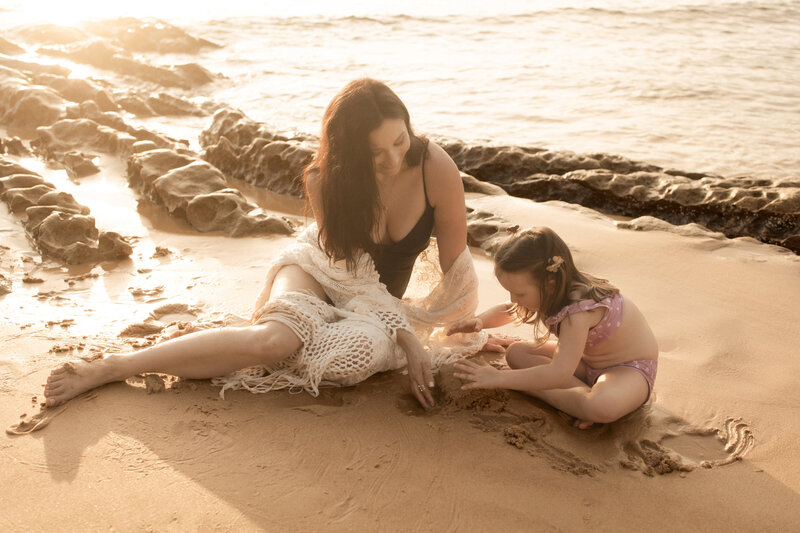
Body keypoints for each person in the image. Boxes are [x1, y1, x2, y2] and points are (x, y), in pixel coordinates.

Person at [44, 78, 484, 411]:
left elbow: (456, 267)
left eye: (400, 140)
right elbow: (348, 273)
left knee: (355, 357)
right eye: (374, 153)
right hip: (318, 271)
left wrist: (466, 329)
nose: (392, 159)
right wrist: (405, 335)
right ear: (350, 153)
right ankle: (116, 366)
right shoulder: (323, 180)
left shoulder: (432, 166)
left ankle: (218, 344)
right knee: (275, 343)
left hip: (372, 304)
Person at [449, 227, 658, 428]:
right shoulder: (555, 287)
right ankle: (579, 399)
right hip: (585, 360)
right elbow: (510, 308)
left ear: (550, 282)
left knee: (601, 406)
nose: (514, 298)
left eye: (520, 294)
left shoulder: (579, 310)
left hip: (629, 370)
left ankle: (584, 403)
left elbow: (559, 373)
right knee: (517, 353)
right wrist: (481, 322)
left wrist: (499, 378)